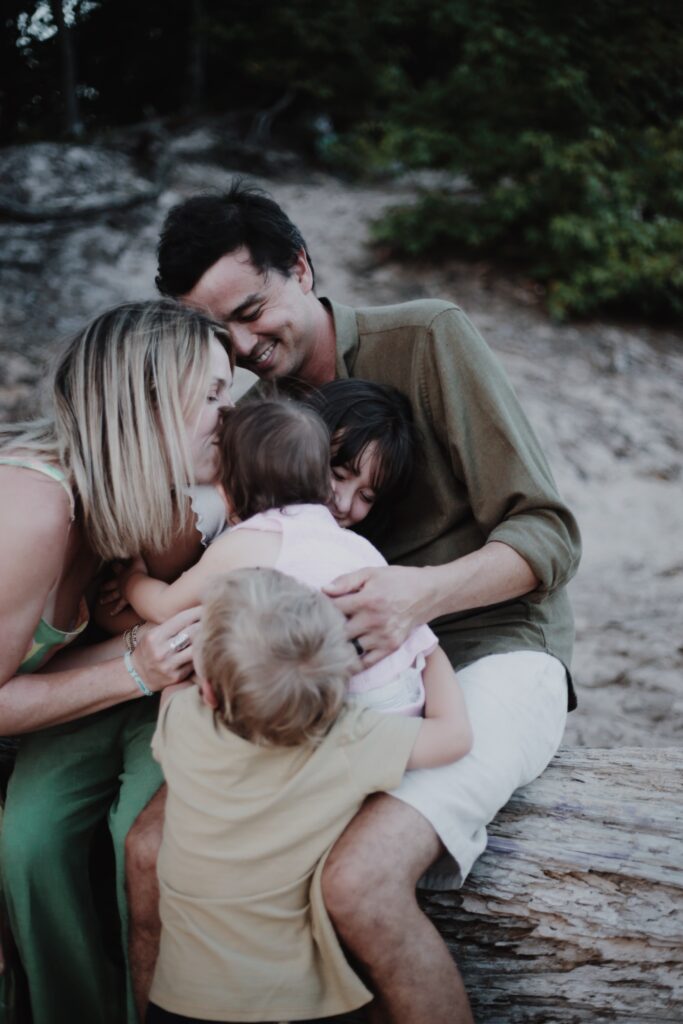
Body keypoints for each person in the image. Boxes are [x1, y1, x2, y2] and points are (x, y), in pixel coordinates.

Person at [149, 180, 581, 1023]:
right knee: (146, 850)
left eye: (251, 309)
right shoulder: (257, 408)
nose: (241, 345)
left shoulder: (426, 337)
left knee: (358, 882)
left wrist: (417, 596)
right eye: (220, 333)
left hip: (493, 649)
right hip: (327, 674)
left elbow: (550, 534)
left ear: (301, 269)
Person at [0, 299, 233, 1024]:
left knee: (147, 835)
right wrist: (134, 668)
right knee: (29, 845)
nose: (233, 413)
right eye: (215, 396)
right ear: (149, 400)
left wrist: (135, 648)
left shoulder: (132, 496)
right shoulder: (33, 510)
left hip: (73, 703)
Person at [146, 566, 471, 1024]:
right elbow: (454, 736)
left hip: (184, 1001)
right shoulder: (348, 737)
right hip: (298, 1003)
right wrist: (423, 642)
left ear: (210, 695)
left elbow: (178, 691)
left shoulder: (182, 724)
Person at [117, 397, 459, 720]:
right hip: (407, 698)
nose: (341, 502)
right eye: (338, 477)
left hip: (340, 705)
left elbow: (163, 607)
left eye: (366, 495)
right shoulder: (353, 544)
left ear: (229, 491)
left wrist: (131, 578)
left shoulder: (247, 542)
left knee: (188, 681)